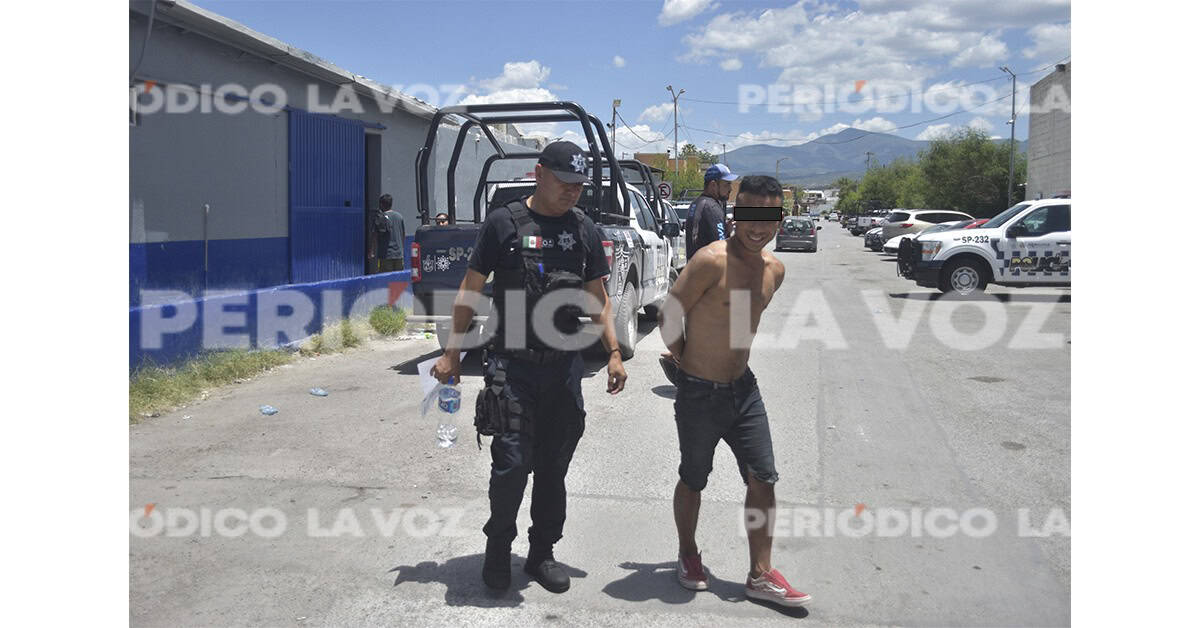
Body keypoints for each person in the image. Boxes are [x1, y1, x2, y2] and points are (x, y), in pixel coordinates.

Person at [431, 140, 628, 593]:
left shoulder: (584, 229)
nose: (573, 192)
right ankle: (498, 550)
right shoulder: (504, 223)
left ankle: (542, 554)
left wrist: (614, 352)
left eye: (580, 185)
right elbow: (471, 287)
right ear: (539, 174)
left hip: (563, 369)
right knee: (511, 467)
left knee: (554, 468)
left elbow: (597, 295)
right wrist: (453, 351)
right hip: (513, 367)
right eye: (564, 183)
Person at [658, 175, 811, 608]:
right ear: (734, 214)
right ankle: (688, 555)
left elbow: (740, 319)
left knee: (763, 478)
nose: (757, 228)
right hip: (698, 393)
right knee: (693, 478)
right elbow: (672, 311)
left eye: (768, 218)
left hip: (744, 390)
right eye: (749, 216)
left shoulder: (774, 271)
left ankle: (760, 574)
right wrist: (687, 358)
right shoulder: (711, 260)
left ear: (781, 218)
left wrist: (728, 360)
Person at [685, 163, 738, 261]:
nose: (730, 189)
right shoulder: (712, 207)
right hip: (709, 272)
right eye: (727, 184)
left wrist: (726, 230)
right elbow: (721, 248)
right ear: (713, 185)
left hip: (695, 268)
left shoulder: (696, 203)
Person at [379, 194, 406, 272]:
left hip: (386, 254)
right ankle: (397, 285)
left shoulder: (381, 217)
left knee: (386, 278)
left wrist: (372, 251)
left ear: (381, 204)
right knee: (398, 278)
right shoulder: (399, 216)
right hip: (398, 254)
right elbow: (403, 235)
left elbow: (376, 235)